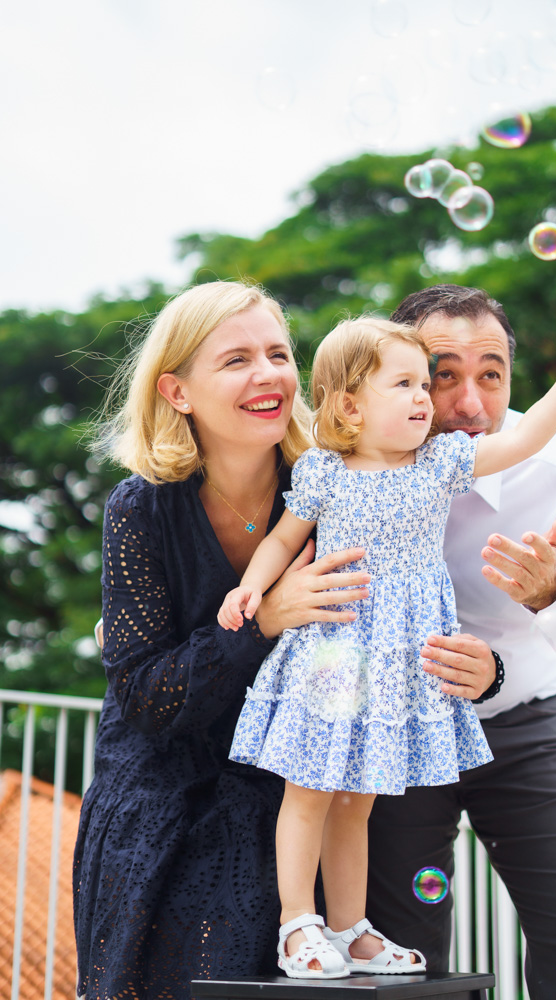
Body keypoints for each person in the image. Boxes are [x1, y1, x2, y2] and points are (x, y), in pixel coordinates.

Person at [217, 312, 556, 980]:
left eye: (419, 385)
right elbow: (281, 539)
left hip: (412, 674)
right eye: (411, 383)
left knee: (358, 801)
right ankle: (300, 925)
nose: (424, 400)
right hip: (334, 657)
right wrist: (252, 590)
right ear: (350, 403)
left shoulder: (440, 462)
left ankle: (351, 930)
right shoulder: (324, 470)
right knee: (312, 790)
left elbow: (525, 436)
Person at [72, 280, 374, 1000]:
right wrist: (267, 618)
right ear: (177, 392)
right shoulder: (139, 508)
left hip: (291, 807)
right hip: (156, 811)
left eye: (277, 353)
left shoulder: (333, 490)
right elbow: (146, 699)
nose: (268, 374)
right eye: (236, 359)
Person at [366, 285, 556, 1000]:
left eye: (489, 373)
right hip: (396, 737)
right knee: (396, 952)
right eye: (442, 372)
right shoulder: (349, 465)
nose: (468, 403)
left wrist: (551, 596)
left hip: (529, 723)